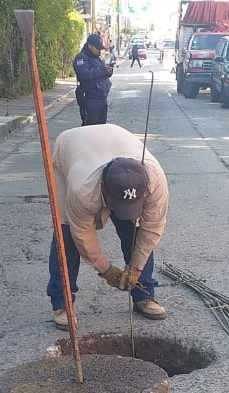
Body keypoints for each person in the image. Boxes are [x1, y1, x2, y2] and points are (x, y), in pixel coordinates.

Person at [46, 123, 170, 329]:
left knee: (135, 229)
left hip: (115, 137)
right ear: (104, 190)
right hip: (72, 146)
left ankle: (144, 294)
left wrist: (135, 269)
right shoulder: (82, 190)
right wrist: (106, 270)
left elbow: (151, 229)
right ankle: (62, 302)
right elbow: (82, 235)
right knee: (66, 234)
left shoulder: (155, 181)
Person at [73, 33, 114, 126]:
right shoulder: (82, 58)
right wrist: (102, 70)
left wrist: (108, 71)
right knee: (90, 128)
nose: (99, 51)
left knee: (101, 127)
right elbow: (84, 76)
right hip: (90, 98)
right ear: (90, 46)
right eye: (97, 48)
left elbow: (101, 74)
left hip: (102, 98)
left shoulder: (98, 58)